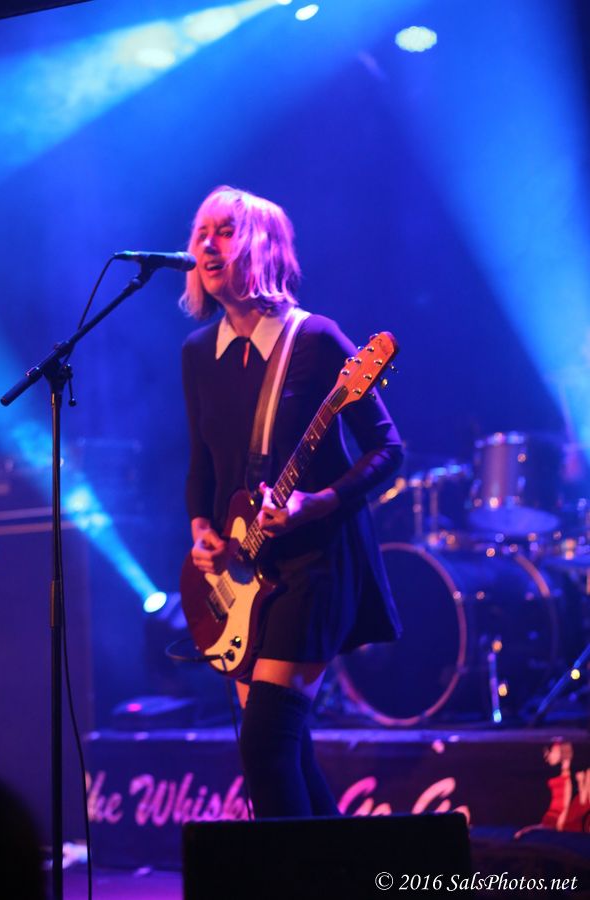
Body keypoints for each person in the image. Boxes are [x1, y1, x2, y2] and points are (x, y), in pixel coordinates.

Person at [180, 185, 403, 818]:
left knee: (266, 747)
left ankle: (294, 872)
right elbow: (201, 463)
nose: (207, 245)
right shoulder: (198, 354)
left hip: (316, 563)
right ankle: (340, 868)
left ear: (261, 246)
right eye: (201, 233)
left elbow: (387, 450)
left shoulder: (317, 340)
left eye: (225, 231)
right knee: (287, 751)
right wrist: (201, 530)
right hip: (244, 570)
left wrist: (319, 501)